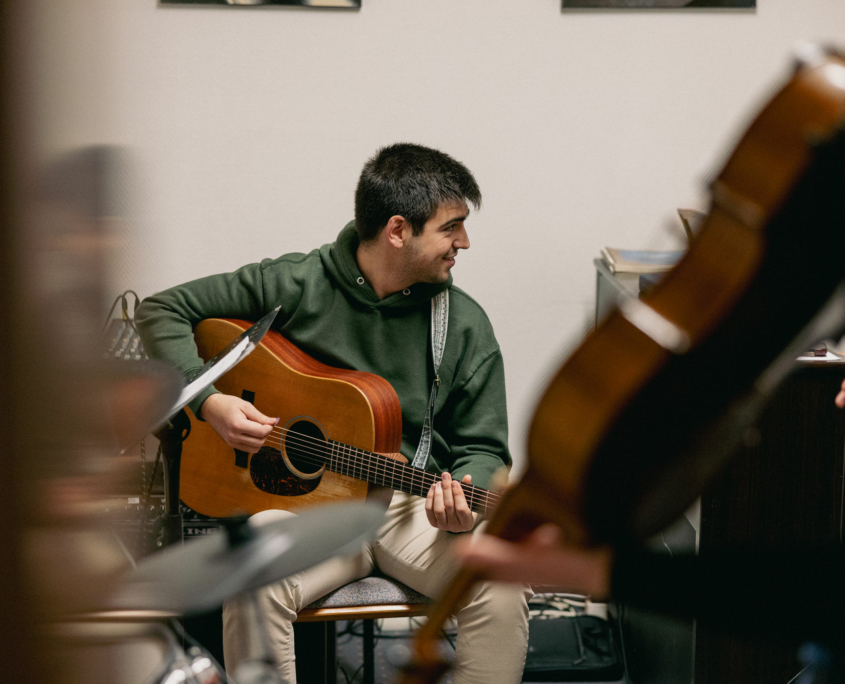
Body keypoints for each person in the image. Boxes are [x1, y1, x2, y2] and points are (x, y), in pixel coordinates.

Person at [136, 143, 532, 684]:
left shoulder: (462, 324)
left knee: (502, 583)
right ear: (398, 230)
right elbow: (161, 308)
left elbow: (484, 447)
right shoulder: (298, 282)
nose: (464, 242)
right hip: (305, 511)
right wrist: (212, 403)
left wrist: (464, 495)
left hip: (409, 506)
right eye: (451, 227)